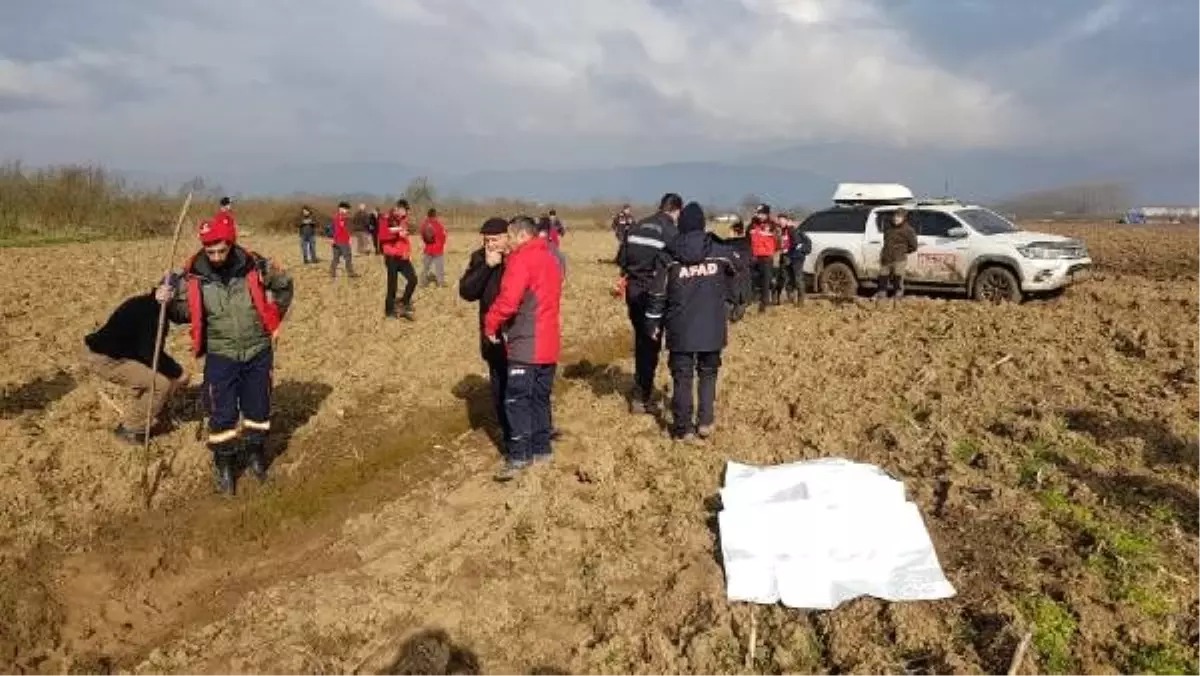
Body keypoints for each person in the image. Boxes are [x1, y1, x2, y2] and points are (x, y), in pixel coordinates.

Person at [163, 218, 294, 495]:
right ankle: (224, 466)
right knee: (221, 413)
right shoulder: (191, 278)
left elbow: (284, 284)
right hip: (221, 354)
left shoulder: (256, 265)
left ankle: (256, 456)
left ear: (231, 244)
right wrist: (166, 300)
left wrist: (274, 315)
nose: (216, 257)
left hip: (258, 350)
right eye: (210, 252)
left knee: (258, 408)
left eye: (221, 250)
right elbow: (180, 313)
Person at [645, 202, 739, 441]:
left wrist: (652, 322)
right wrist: (734, 301)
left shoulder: (668, 256)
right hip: (712, 327)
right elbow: (738, 271)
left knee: (682, 377)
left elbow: (657, 293)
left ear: (681, 225)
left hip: (680, 328)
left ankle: (684, 428)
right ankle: (705, 421)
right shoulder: (720, 251)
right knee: (708, 374)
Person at [483, 216, 562, 482]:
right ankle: (543, 451)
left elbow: (508, 301)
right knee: (540, 399)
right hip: (549, 344)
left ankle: (518, 457)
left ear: (520, 236)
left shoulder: (520, 260)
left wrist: (490, 323)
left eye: (510, 236)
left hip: (527, 344)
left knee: (516, 401)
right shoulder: (552, 258)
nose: (508, 242)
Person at [82, 283, 191, 444]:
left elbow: (146, 354)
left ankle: (142, 409)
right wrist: (177, 372)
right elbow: (150, 352)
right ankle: (131, 429)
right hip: (107, 359)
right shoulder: (153, 315)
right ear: (174, 300)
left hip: (121, 354)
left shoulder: (146, 303)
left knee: (152, 376)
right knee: (161, 384)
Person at [618, 192, 682, 414]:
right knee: (654, 342)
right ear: (675, 210)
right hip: (655, 292)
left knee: (642, 341)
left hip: (633, 290)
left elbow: (622, 260)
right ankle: (643, 395)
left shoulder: (636, 227)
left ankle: (641, 389)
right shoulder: (670, 231)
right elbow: (675, 264)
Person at [458, 217, 512, 453]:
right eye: (487, 240)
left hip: (517, 334)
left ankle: (530, 429)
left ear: (507, 237)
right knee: (499, 384)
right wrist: (486, 267)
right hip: (491, 335)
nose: (490, 244)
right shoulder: (480, 258)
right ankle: (506, 432)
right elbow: (467, 291)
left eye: (495, 239)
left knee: (520, 384)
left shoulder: (517, 257)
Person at [379, 199, 418, 320]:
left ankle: (403, 302)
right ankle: (389, 311)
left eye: (406, 212)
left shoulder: (403, 221)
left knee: (413, 279)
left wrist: (407, 252)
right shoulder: (386, 218)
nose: (405, 214)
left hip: (403, 257)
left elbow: (404, 240)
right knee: (392, 286)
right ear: (398, 208)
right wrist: (397, 234)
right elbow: (383, 235)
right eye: (404, 211)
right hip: (391, 257)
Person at [877, 207, 918, 300]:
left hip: (899, 259)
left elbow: (914, 246)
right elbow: (885, 241)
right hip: (886, 257)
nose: (896, 218)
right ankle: (881, 295)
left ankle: (898, 295)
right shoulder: (888, 228)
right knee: (883, 277)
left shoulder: (908, 230)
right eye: (895, 216)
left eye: (899, 217)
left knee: (898, 278)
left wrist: (902, 251)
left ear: (904, 218)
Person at [748, 204, 779, 313]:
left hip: (766, 257)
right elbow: (748, 240)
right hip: (754, 256)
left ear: (766, 214)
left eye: (761, 213)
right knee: (753, 279)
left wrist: (772, 252)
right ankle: (752, 299)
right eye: (757, 213)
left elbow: (778, 241)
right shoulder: (752, 225)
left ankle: (763, 304)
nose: (759, 215)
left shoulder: (773, 226)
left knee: (765, 280)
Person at [776, 213, 811, 305]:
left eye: (782, 220)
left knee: (797, 278)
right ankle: (790, 298)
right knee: (788, 278)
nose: (780, 222)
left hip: (796, 257)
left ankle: (801, 300)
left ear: (787, 221)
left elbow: (795, 243)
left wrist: (788, 249)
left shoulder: (793, 230)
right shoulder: (784, 231)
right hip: (788, 256)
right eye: (779, 221)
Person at [420, 208, 448, 287]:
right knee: (439, 268)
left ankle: (423, 283)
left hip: (428, 249)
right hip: (438, 249)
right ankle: (441, 283)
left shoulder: (424, 224)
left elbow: (422, 236)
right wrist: (442, 244)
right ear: (435, 215)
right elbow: (443, 236)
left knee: (425, 268)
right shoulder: (438, 225)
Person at [329, 201, 358, 279]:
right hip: (342, 241)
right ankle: (350, 273)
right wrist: (335, 239)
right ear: (341, 208)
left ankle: (332, 272)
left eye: (347, 209)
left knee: (336, 258)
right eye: (346, 209)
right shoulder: (340, 218)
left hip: (337, 241)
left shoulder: (336, 217)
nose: (347, 211)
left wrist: (333, 239)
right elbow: (339, 230)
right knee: (348, 257)